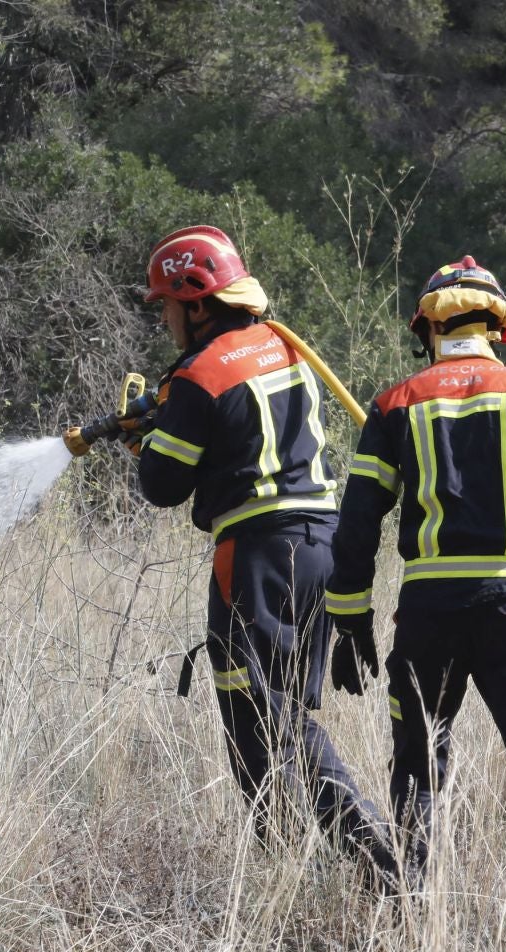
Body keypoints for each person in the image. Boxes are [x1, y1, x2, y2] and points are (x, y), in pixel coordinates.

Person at [325, 255, 506, 889]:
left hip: (428, 617)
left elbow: (358, 521)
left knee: (418, 769)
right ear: (497, 328)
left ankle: (414, 911)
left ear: (429, 329)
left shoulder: (395, 404)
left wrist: (349, 618)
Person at [129, 224, 395, 883]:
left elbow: (163, 487)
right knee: (279, 709)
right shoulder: (285, 347)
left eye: (167, 304)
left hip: (257, 556)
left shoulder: (197, 375)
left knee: (261, 716)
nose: (163, 319)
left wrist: (144, 439)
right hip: (322, 547)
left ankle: (374, 859)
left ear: (197, 301)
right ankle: (291, 876)